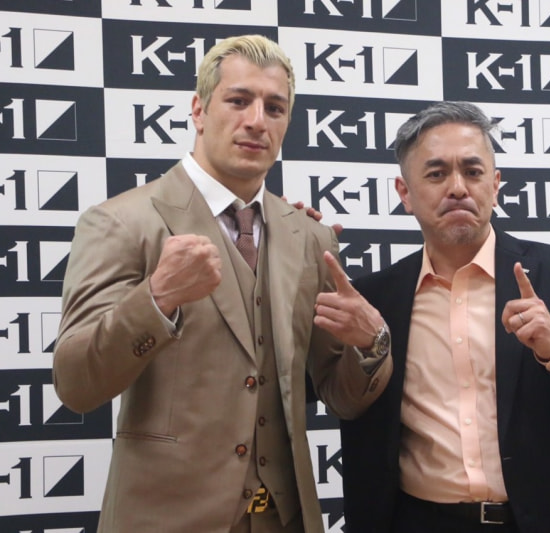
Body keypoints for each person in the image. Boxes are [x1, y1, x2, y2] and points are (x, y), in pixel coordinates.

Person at [53, 34, 392, 533]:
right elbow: (76, 385)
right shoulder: (121, 221)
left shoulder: (310, 236)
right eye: (238, 100)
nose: (257, 120)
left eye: (274, 108)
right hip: (166, 521)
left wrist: (372, 345)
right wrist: (157, 299)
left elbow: (341, 396)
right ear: (199, 110)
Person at [340, 101, 550, 533]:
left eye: (472, 171)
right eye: (436, 174)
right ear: (404, 193)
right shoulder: (375, 298)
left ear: (495, 184)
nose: (457, 188)